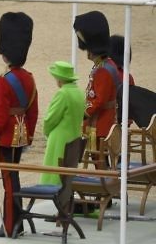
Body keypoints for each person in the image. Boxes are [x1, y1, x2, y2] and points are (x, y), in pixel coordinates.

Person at [0, 12, 38, 238]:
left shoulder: (4, 81)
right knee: (13, 178)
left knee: (9, 182)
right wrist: (29, 136)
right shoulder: (29, 77)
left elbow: (0, 119)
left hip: (5, 138)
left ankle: (11, 224)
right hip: (20, 136)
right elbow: (33, 111)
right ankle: (16, 222)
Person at [73, 11, 118, 162]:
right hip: (103, 120)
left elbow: (99, 100)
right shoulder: (106, 65)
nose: (88, 54)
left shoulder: (103, 70)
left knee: (99, 160)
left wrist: (82, 113)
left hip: (101, 123)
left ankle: (105, 183)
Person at [38, 61, 85, 185]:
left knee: (54, 176)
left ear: (59, 79)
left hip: (59, 139)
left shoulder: (62, 93)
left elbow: (51, 118)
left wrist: (47, 132)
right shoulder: (79, 92)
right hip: (74, 136)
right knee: (68, 173)